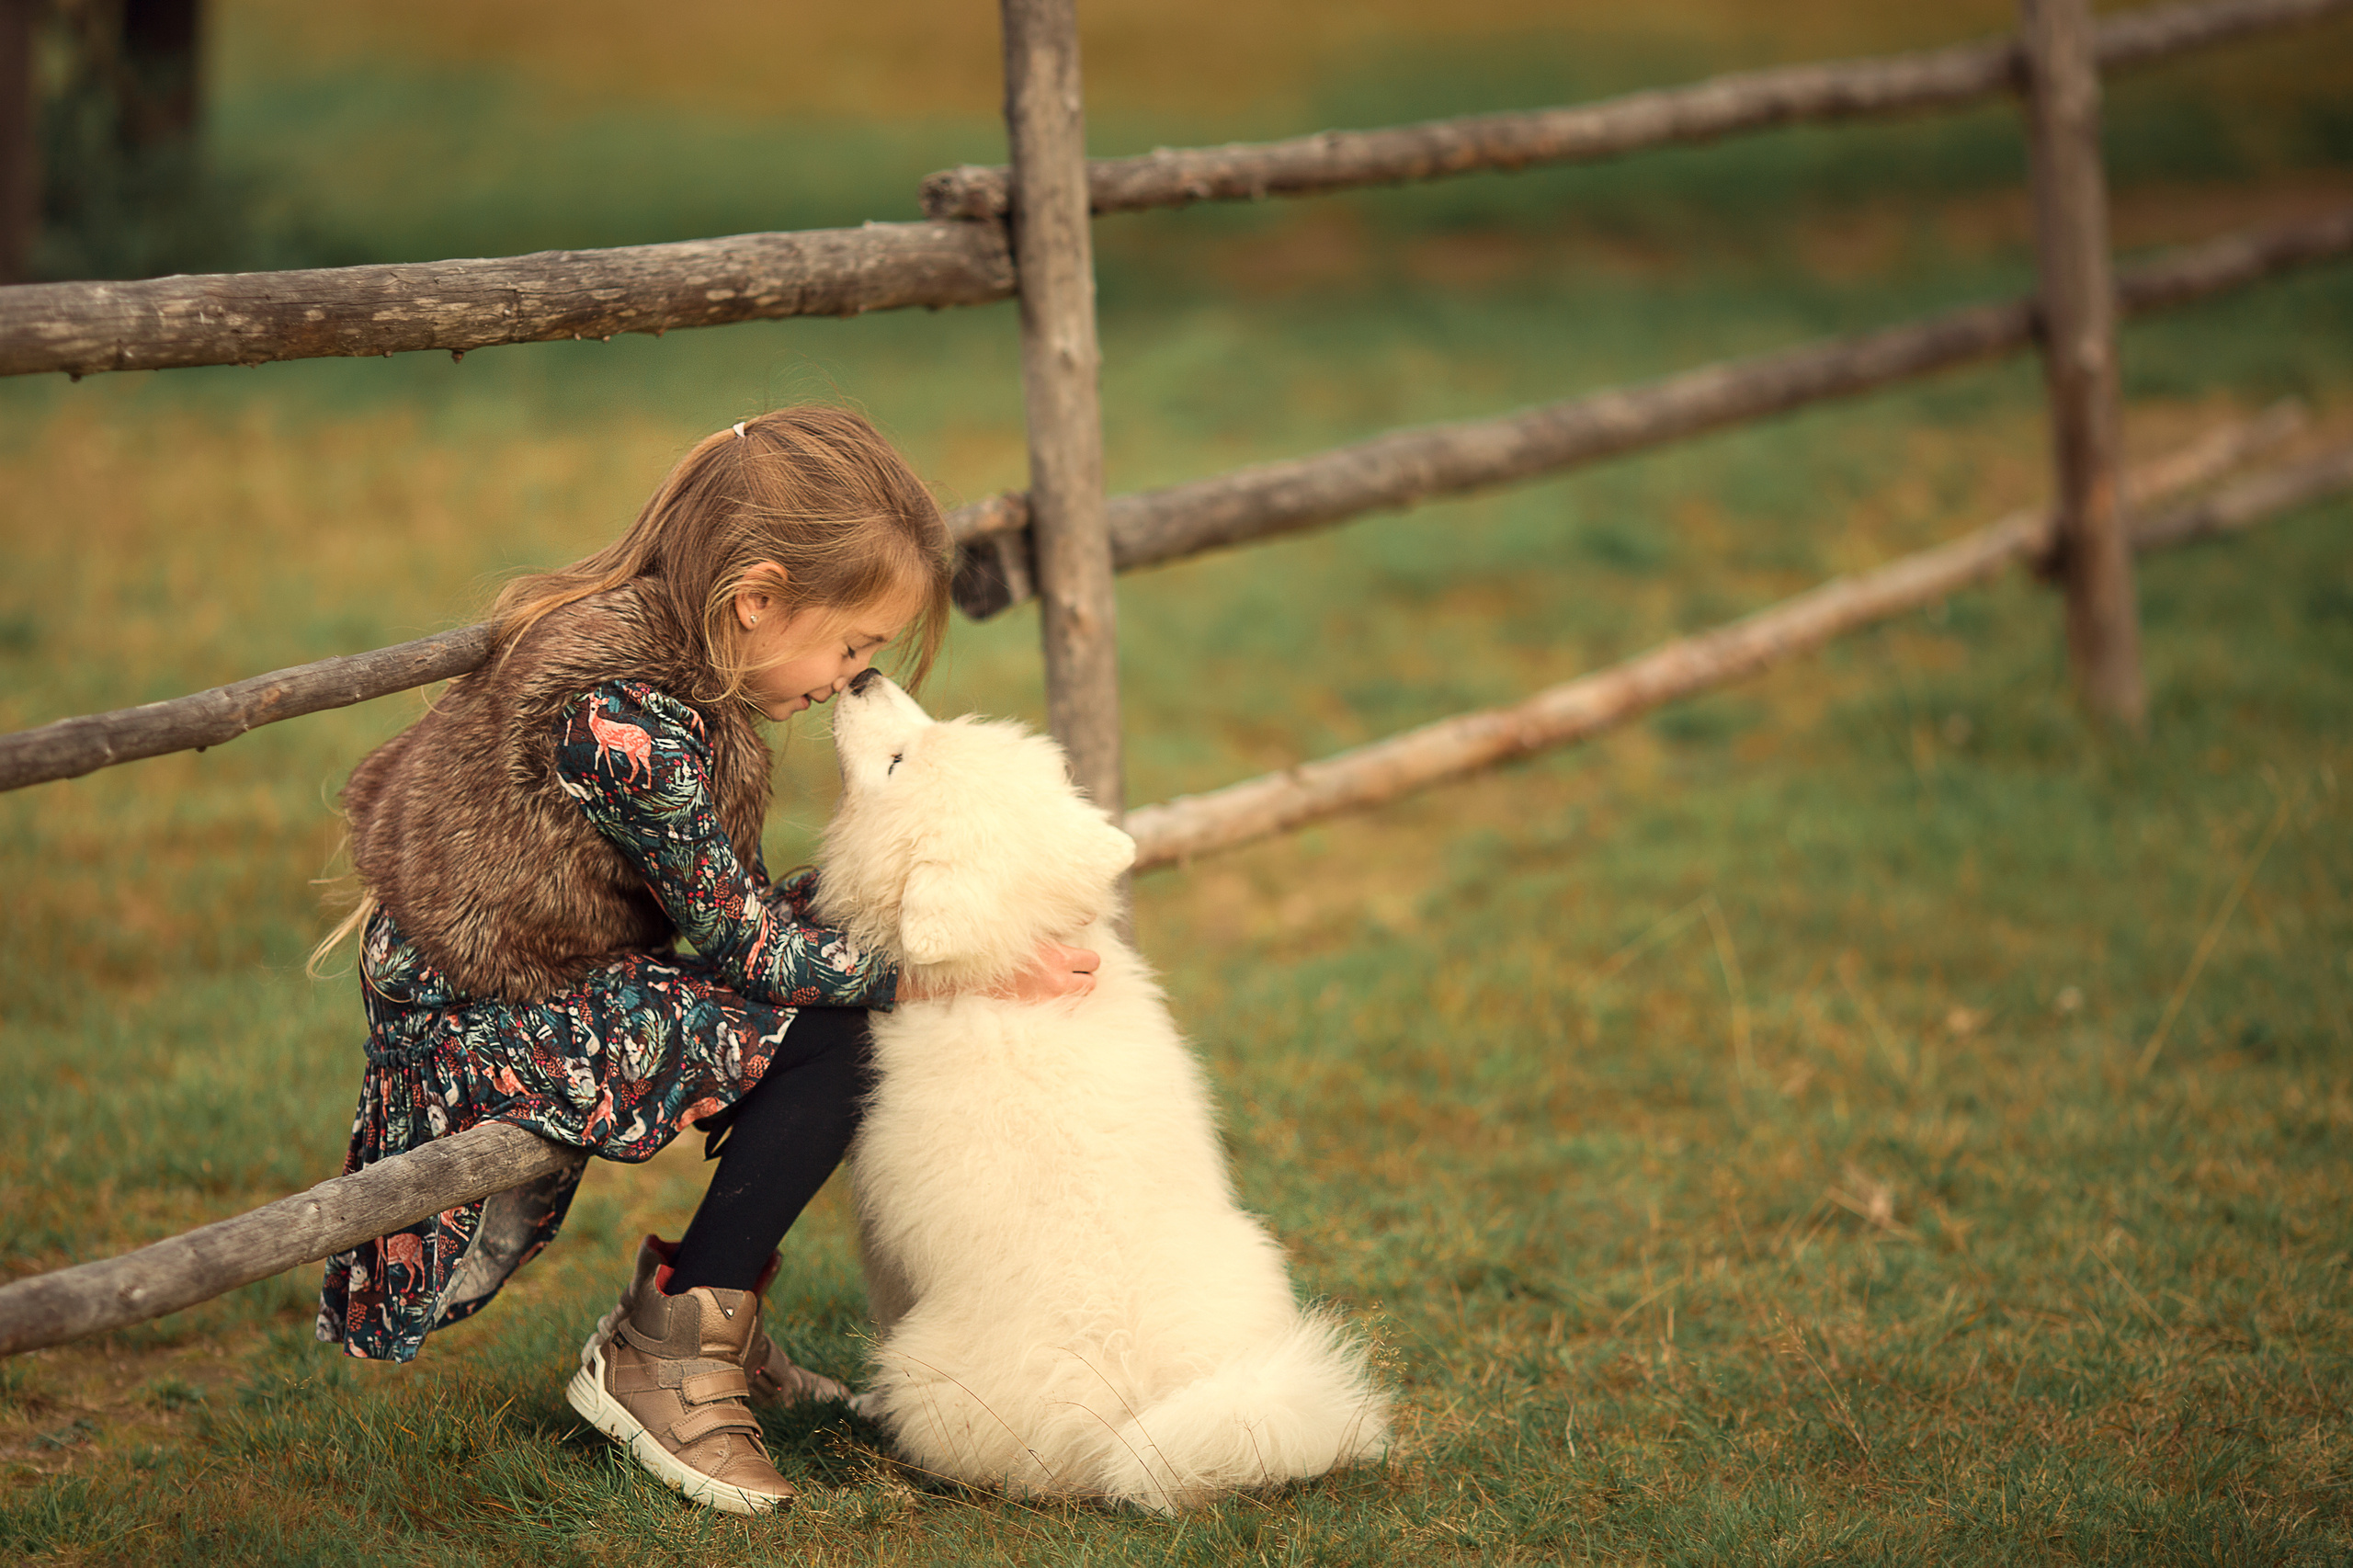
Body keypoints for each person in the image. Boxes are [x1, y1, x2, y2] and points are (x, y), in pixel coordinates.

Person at [308, 405, 1097, 1515]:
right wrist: (956, 971)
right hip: (487, 1011)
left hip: (552, 970)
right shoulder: (623, 721)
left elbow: (739, 917)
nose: (853, 676)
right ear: (758, 598)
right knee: (834, 1026)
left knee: (837, 960)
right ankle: (667, 1346)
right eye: (853, 645)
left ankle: (707, 1303)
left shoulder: (677, 660)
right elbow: (749, 948)